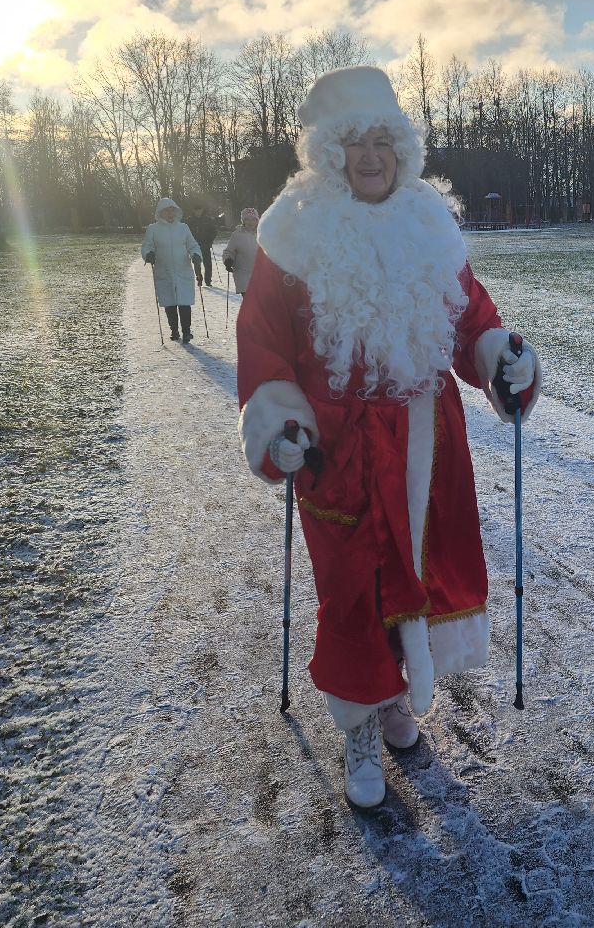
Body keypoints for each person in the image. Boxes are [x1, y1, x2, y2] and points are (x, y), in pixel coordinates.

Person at [237, 66, 541, 809]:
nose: (371, 156)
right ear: (326, 153)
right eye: (354, 143)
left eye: (384, 140)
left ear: (402, 148)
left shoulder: (428, 221)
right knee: (351, 588)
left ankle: (396, 698)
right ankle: (358, 727)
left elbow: (472, 319)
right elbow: (264, 344)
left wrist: (502, 358)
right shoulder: (291, 232)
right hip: (335, 446)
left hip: (424, 440)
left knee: (417, 575)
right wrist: (282, 424)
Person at [141, 197, 203, 344]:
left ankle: (187, 332)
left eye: (172, 210)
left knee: (184, 300)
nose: (170, 213)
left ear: (176, 212)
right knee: (169, 301)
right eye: (167, 211)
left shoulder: (183, 228)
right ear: (160, 212)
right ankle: (174, 330)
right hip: (164, 270)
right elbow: (146, 246)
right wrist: (148, 254)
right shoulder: (153, 229)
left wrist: (196, 255)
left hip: (183, 269)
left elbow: (192, 245)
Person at [222, 207, 260, 295]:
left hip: (261, 273)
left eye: (253, 219)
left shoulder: (262, 233)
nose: (250, 222)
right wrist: (228, 260)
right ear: (243, 221)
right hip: (242, 273)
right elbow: (229, 251)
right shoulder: (237, 235)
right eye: (247, 219)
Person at [188, 204, 219, 286]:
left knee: (208, 263)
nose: (198, 211)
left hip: (206, 244)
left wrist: (210, 240)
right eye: (196, 210)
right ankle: (199, 278)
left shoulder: (208, 219)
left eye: (199, 209)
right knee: (196, 262)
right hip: (194, 245)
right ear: (193, 210)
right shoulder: (189, 220)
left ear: (202, 209)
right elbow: (187, 234)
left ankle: (208, 280)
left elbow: (214, 231)